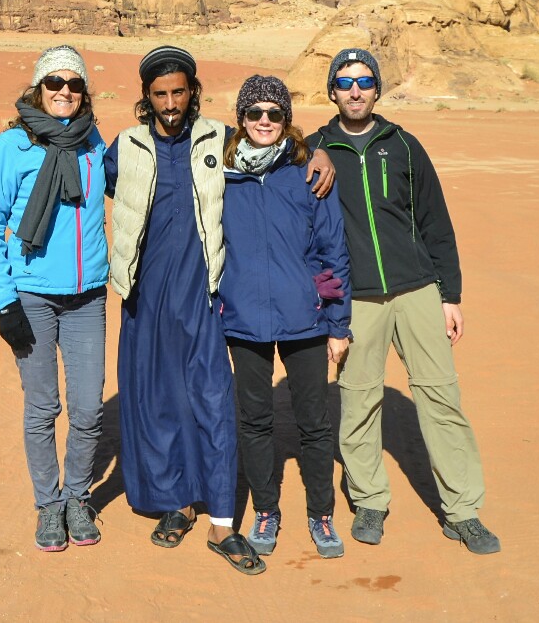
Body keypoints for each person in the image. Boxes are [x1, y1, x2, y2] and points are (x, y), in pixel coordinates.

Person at [104, 45, 334, 577]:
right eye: (160, 94)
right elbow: (91, 173)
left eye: (178, 92)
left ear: (193, 92)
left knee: (211, 401)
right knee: (161, 401)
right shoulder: (127, 146)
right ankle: (178, 502)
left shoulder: (218, 139)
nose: (170, 103)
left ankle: (223, 522)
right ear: (146, 97)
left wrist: (322, 150)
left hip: (204, 296)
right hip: (146, 298)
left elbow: (274, 140)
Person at [310, 47, 501, 555]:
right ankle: (369, 500)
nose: (355, 90)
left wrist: (449, 295)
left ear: (377, 89)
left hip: (417, 290)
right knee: (358, 400)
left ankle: (463, 510)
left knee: (440, 397)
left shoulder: (404, 146)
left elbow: (435, 222)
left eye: (364, 81)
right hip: (356, 300)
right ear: (332, 91)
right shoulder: (314, 149)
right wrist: (326, 304)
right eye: (345, 82)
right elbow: (306, 235)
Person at [0, 45, 110, 552]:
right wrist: (4, 301)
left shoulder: (93, 141)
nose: (64, 91)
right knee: (42, 407)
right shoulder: (12, 145)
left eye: (74, 84)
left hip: (88, 297)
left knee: (88, 409)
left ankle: (77, 496)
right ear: (39, 88)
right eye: (54, 82)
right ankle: (49, 504)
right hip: (31, 295)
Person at [218, 74, 352, 560]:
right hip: (243, 319)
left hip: (305, 319)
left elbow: (333, 251)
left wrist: (338, 324)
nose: (264, 121)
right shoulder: (221, 175)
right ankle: (266, 510)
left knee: (314, 421)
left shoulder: (309, 174)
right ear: (241, 118)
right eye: (255, 112)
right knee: (255, 420)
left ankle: (321, 513)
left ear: (286, 119)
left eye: (274, 113)